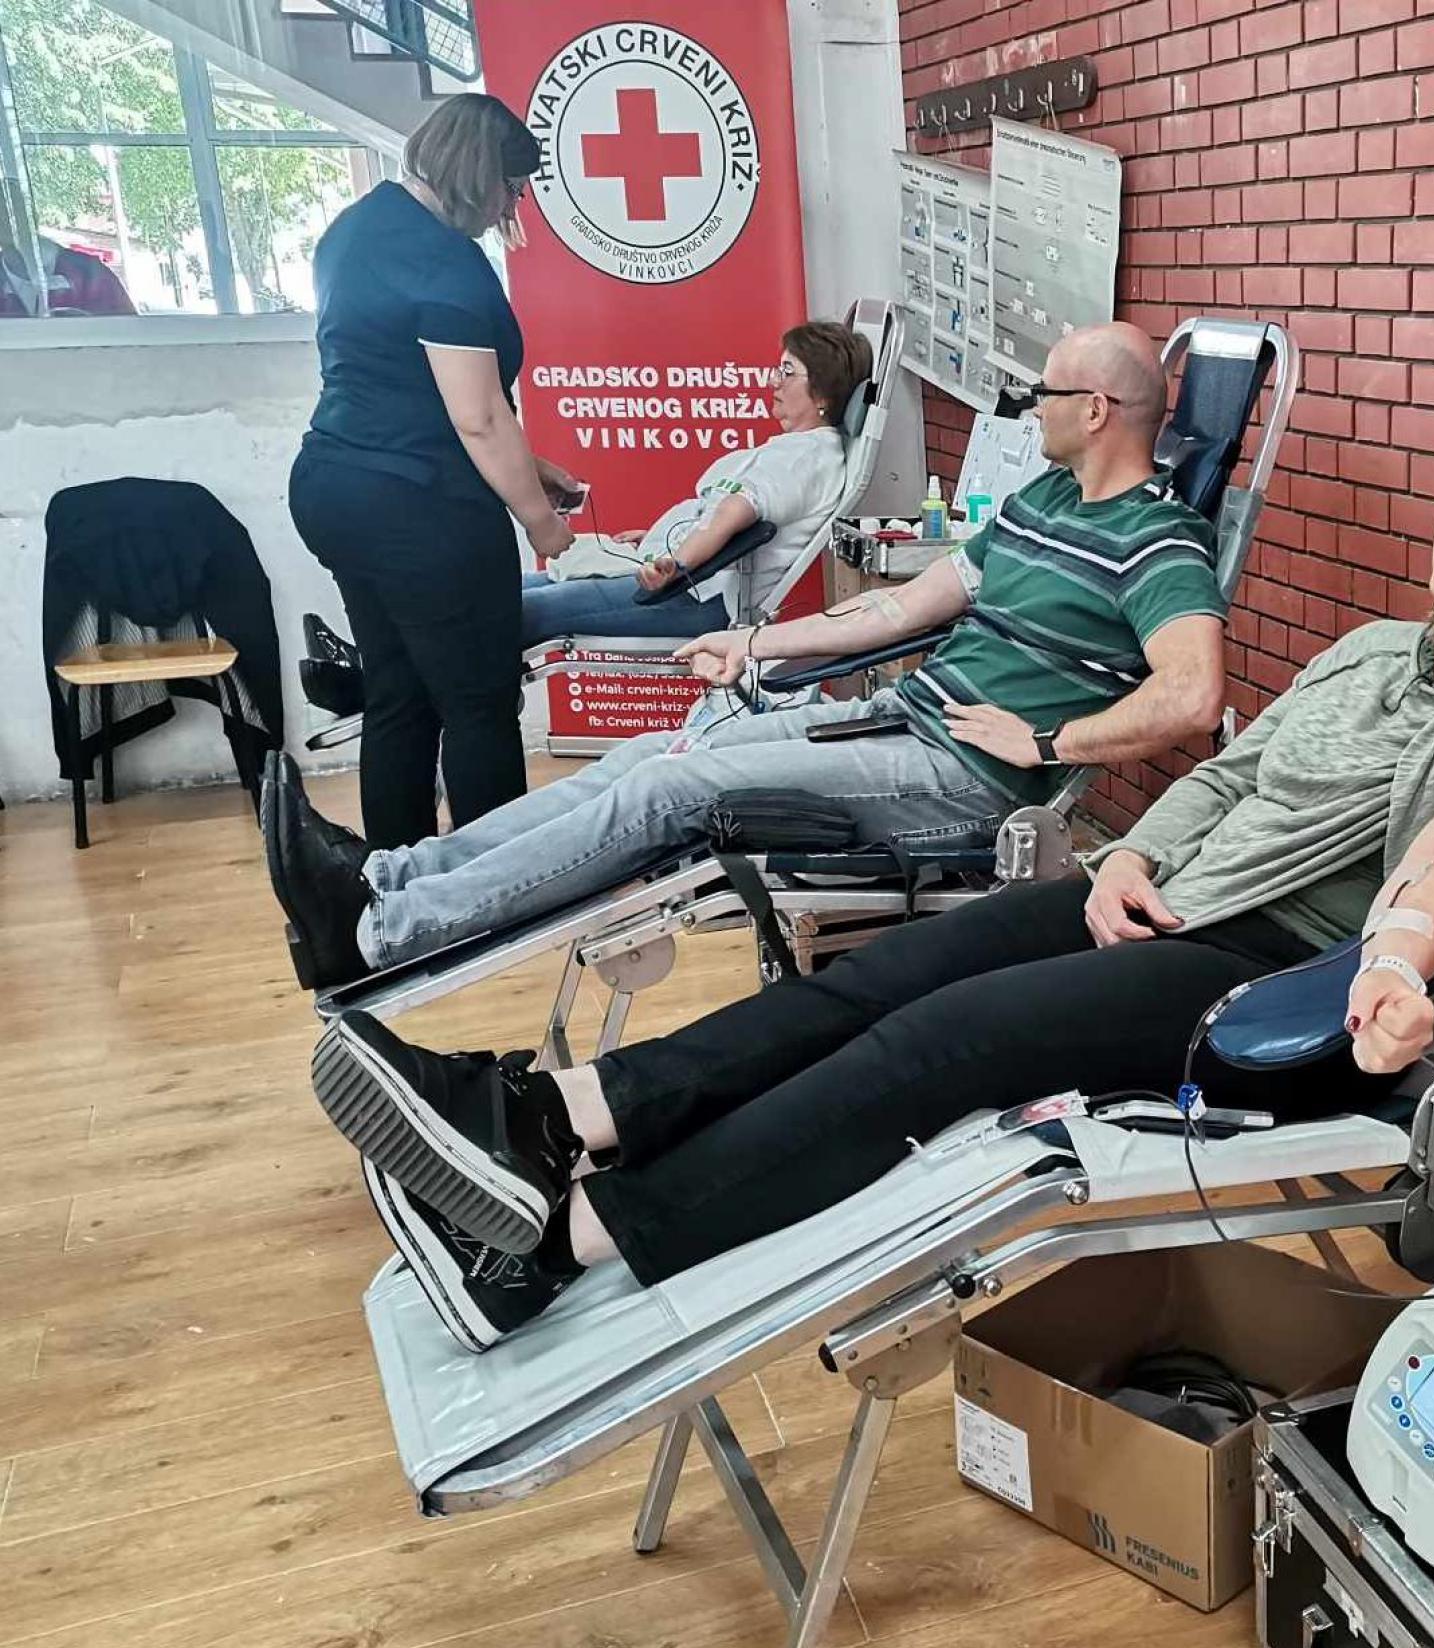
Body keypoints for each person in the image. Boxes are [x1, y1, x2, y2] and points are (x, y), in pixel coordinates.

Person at [307, 393, 1434, 1349]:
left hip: (1276, 987)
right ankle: (554, 1116)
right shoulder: (1371, 649)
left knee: (945, 1044)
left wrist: (1398, 959)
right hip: (1158, 905)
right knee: (875, 982)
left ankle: (555, 1246)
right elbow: (1229, 775)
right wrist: (1132, 855)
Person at [262, 321, 1230, 990]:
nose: (1028, 408)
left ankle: (376, 934)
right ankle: (393, 877)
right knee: (659, 753)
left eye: (1043, 393)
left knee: (670, 792)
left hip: (968, 781)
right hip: (901, 721)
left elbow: (1193, 695)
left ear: (1096, 409)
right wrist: (754, 641)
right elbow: (898, 608)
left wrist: (1050, 743)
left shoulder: (1157, 542)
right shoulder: (1040, 505)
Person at [288, 94, 579, 852]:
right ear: (480, 174)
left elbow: (401, 390)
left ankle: (398, 881)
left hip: (335, 486)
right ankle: (493, 890)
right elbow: (477, 417)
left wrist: (530, 469)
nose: (512, 207)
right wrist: (540, 521)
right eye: (512, 187)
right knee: (478, 703)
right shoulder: (444, 261)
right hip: (417, 510)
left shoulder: (354, 229)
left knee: (398, 695)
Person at [519, 319, 874, 646]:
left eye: (788, 371)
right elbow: (717, 516)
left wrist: (675, 564)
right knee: (509, 593)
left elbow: (733, 513)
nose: (774, 380)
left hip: (693, 594)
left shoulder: (806, 459)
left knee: (521, 611)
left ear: (823, 394)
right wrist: (660, 539)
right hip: (686, 580)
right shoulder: (797, 450)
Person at [0, 178, 135, 318]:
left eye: (11, 210)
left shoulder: (89, 274)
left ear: (32, 215)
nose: (5, 220)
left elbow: (129, 329)